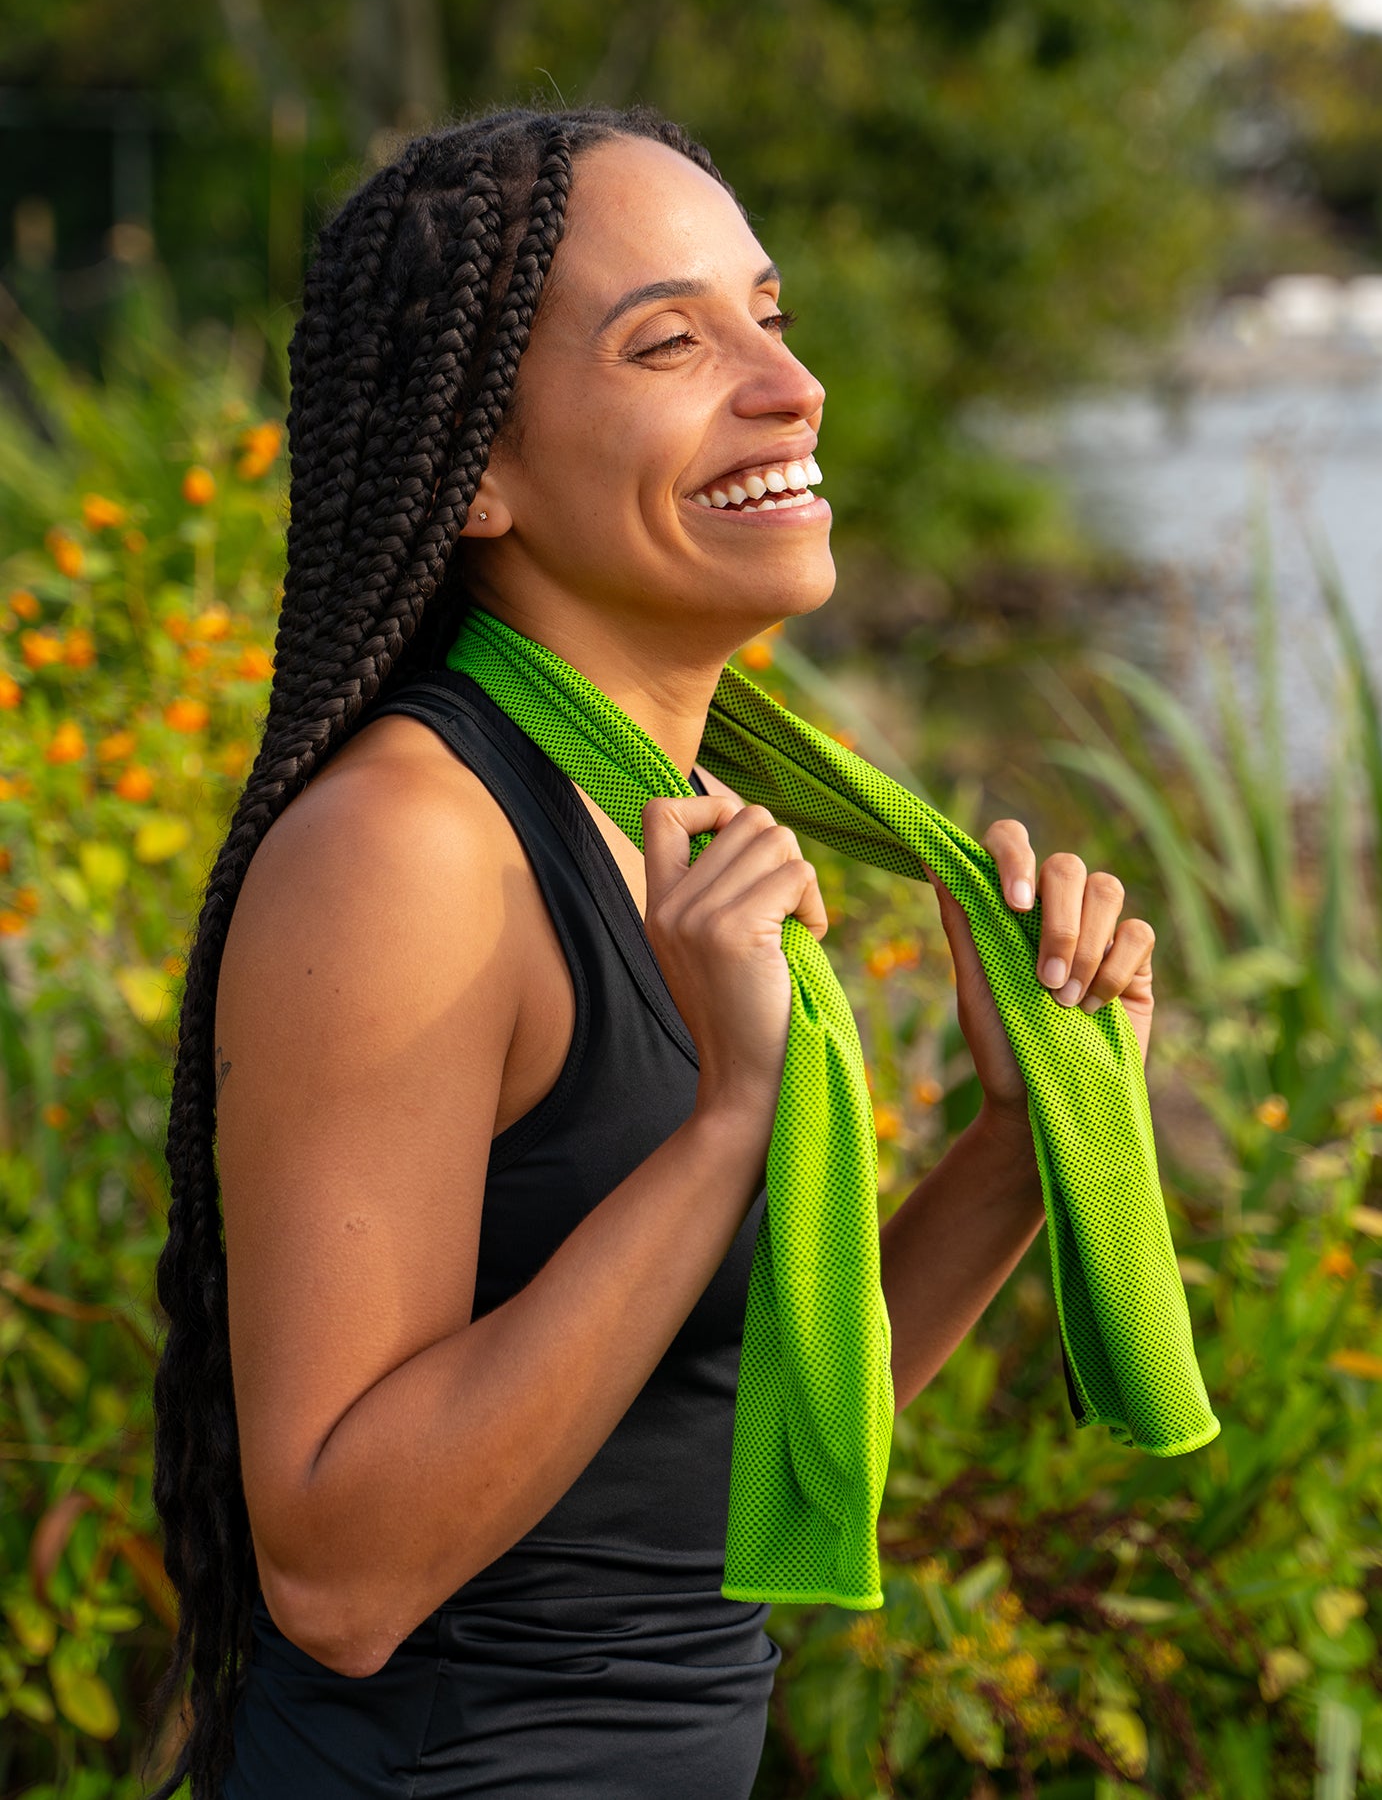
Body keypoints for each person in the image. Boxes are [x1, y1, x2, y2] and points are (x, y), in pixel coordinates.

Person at [143, 104, 1156, 1800]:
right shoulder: (412, 850)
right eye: (669, 341)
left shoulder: (670, 804)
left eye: (769, 313)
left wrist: (1007, 1147)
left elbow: (713, 1456)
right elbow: (338, 1576)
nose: (788, 383)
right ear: (477, 467)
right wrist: (726, 1120)